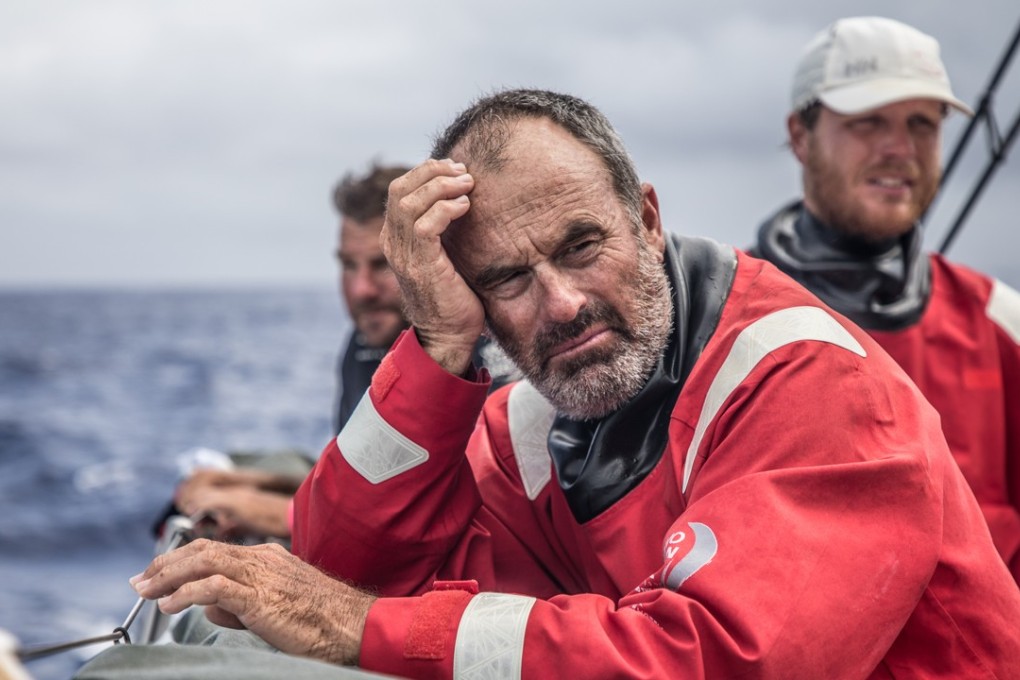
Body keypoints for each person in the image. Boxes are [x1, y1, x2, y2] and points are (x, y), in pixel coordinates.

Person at [103, 88, 1019, 679]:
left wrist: (359, 624)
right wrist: (434, 349)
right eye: (504, 279)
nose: (563, 304)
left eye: (583, 246)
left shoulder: (812, 382)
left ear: (648, 218)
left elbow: (723, 661)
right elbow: (342, 572)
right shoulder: (537, 419)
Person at [751, 16, 1020, 582]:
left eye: (923, 123)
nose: (901, 149)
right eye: (869, 121)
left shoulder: (1001, 324)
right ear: (801, 135)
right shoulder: (719, 321)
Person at [169, 163, 412, 541]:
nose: (361, 289)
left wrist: (253, 508)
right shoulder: (363, 344)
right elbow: (354, 485)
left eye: (381, 265)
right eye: (348, 266)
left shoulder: (470, 360)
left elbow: (406, 516)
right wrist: (247, 483)